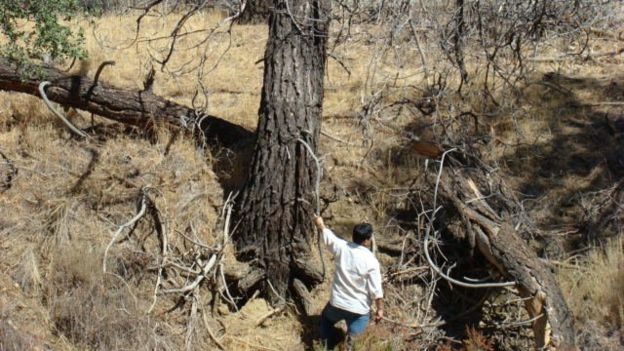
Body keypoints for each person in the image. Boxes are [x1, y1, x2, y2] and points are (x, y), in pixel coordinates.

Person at [313, 216, 384, 350]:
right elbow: (376, 290)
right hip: (359, 310)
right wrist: (380, 309)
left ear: (353, 236)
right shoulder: (372, 261)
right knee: (354, 343)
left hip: (337, 304)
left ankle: (326, 345)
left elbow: (328, 237)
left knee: (326, 320)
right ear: (367, 241)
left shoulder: (342, 247)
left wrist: (320, 224)